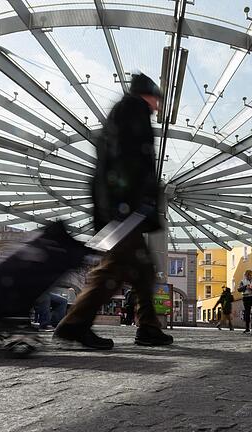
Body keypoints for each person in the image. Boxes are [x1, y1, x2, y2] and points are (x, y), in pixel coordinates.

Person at [53, 73, 172, 349]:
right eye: (156, 99)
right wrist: (133, 203)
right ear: (148, 95)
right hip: (124, 210)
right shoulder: (132, 111)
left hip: (121, 207)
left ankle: (149, 328)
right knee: (113, 269)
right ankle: (74, 325)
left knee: (143, 270)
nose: (157, 106)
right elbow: (130, 162)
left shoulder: (126, 112)